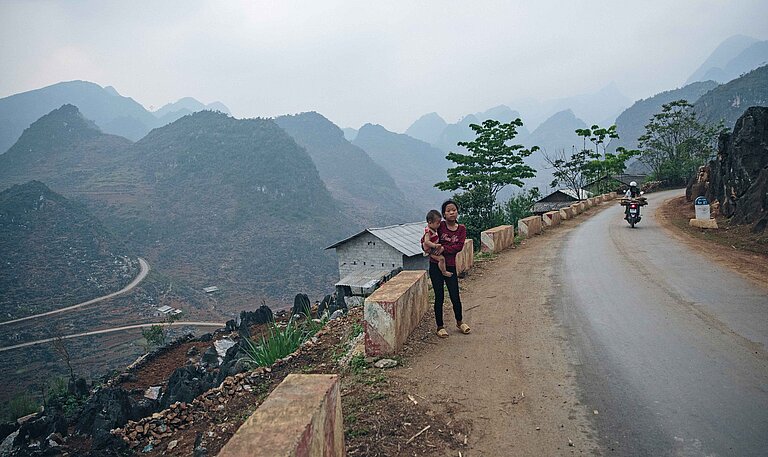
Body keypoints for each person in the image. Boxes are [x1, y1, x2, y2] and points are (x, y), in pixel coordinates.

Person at [423, 200, 471, 338]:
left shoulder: (461, 229)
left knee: (455, 295)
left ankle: (460, 322)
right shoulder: (440, 225)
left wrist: (444, 248)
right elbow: (427, 236)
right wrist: (426, 247)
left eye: (454, 210)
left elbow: (459, 247)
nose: (452, 212)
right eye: (448, 210)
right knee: (439, 296)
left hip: (450, 265)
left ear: (457, 212)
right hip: (435, 264)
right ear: (444, 214)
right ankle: (440, 326)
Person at [422, 209, 453, 277]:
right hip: (430, 250)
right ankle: (444, 272)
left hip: (432, 248)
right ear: (430, 222)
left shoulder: (433, 229)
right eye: (437, 223)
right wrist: (435, 246)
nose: (439, 225)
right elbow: (426, 241)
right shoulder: (428, 232)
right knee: (441, 259)